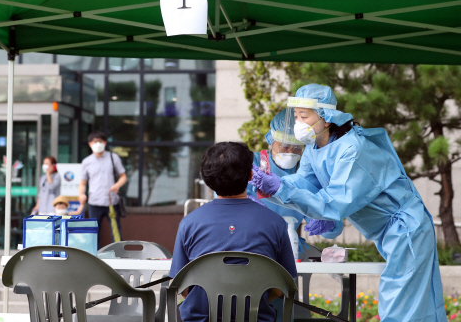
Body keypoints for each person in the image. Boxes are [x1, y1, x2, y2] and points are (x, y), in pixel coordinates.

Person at [250, 84, 445, 322]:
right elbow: (306, 183)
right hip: (388, 231)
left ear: (326, 118)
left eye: (305, 116)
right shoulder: (314, 147)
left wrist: (281, 190)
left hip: (405, 229)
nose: (298, 123)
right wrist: (272, 189)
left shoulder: (352, 149)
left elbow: (334, 203)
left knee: (401, 306)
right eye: (297, 116)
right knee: (413, 304)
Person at [170, 141, 297, 322]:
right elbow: (281, 286)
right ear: (251, 175)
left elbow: (182, 287)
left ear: (207, 180)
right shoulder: (275, 223)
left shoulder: (189, 223)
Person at [249, 110, 344, 251]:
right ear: (271, 139)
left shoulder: (308, 175)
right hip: (250, 243)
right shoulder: (252, 163)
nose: (290, 152)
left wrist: (327, 219)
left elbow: (322, 212)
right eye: (285, 146)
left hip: (288, 245)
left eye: (298, 148)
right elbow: (224, 194)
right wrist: (247, 204)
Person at [78, 131, 127, 245]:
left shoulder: (113, 157)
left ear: (105, 142)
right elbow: (82, 183)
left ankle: (119, 256)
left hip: (111, 201)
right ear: (90, 144)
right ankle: (95, 257)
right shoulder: (87, 162)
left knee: (116, 231)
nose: (98, 143)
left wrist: (117, 185)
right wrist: (81, 194)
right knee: (94, 232)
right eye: (95, 141)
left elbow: (123, 177)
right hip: (94, 202)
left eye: (100, 141)